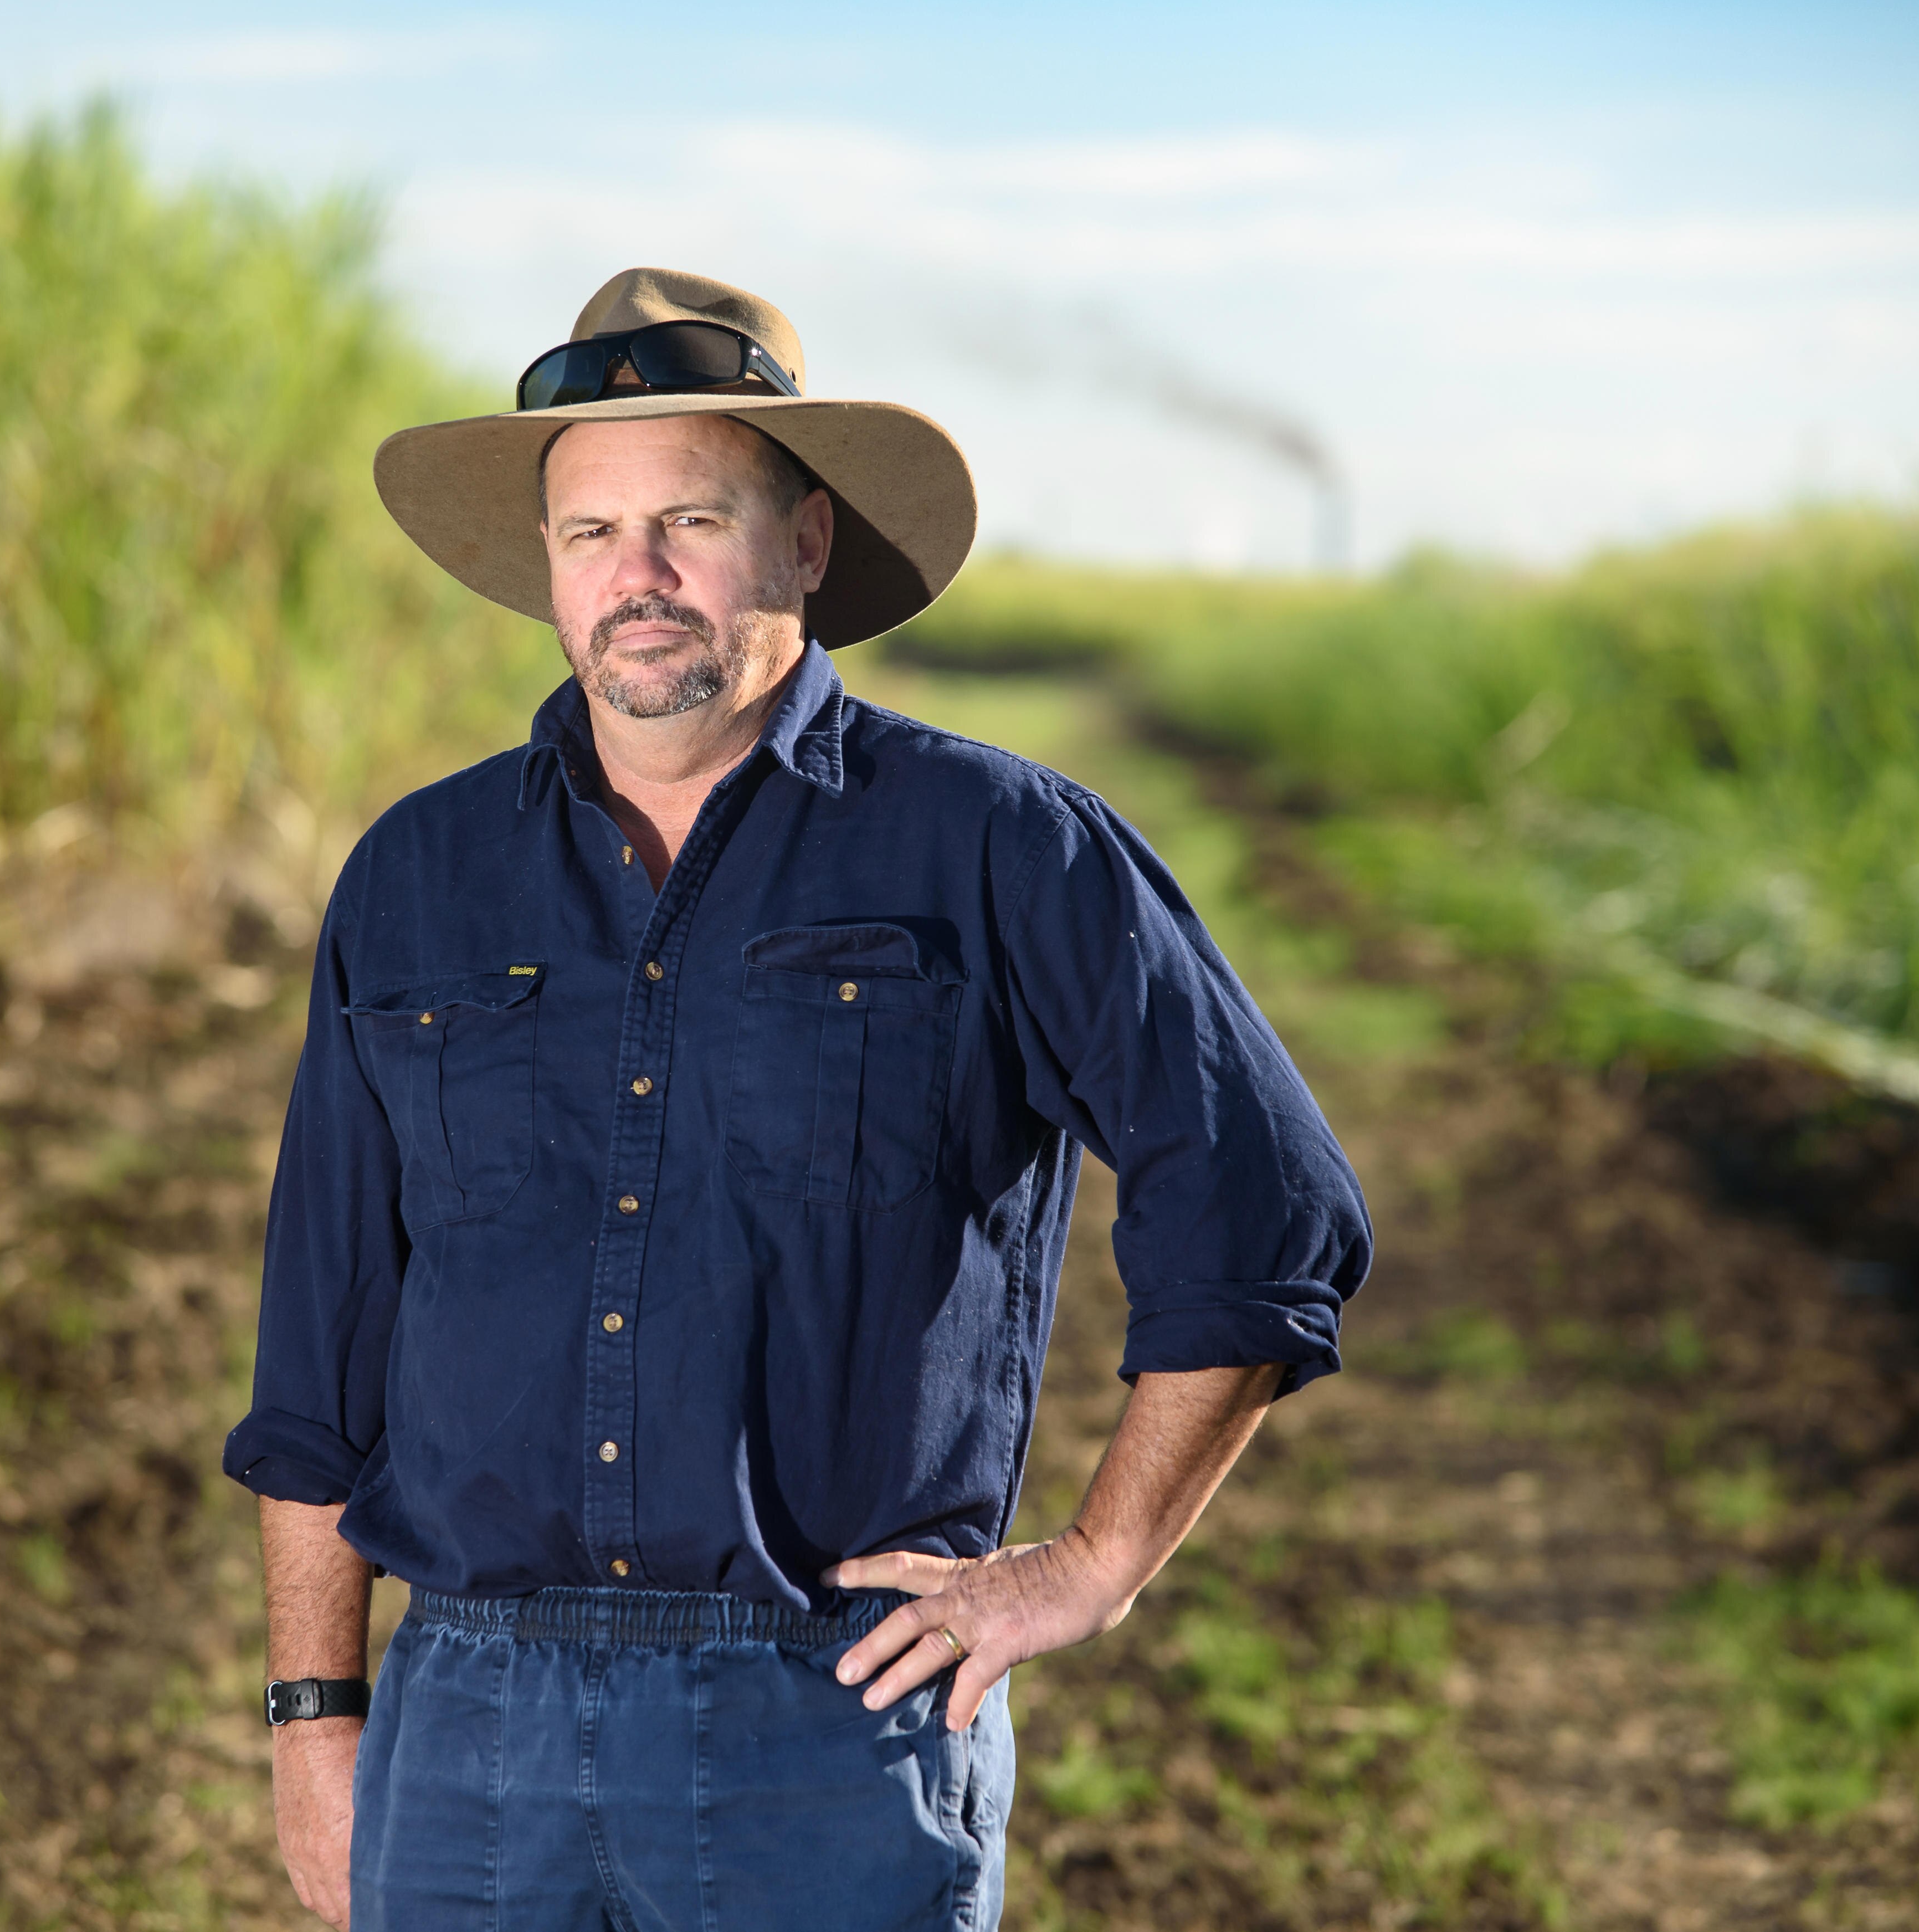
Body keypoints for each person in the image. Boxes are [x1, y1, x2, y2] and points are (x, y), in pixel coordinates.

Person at [222, 267, 1372, 1931]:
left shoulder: (1000, 848)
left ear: (808, 540)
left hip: (827, 1724)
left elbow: (1267, 1206)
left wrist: (1094, 1561)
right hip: (472, 1736)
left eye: (692, 516)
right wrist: (316, 1720)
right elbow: (318, 1354)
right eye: (590, 531)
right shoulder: (417, 878)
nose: (639, 577)